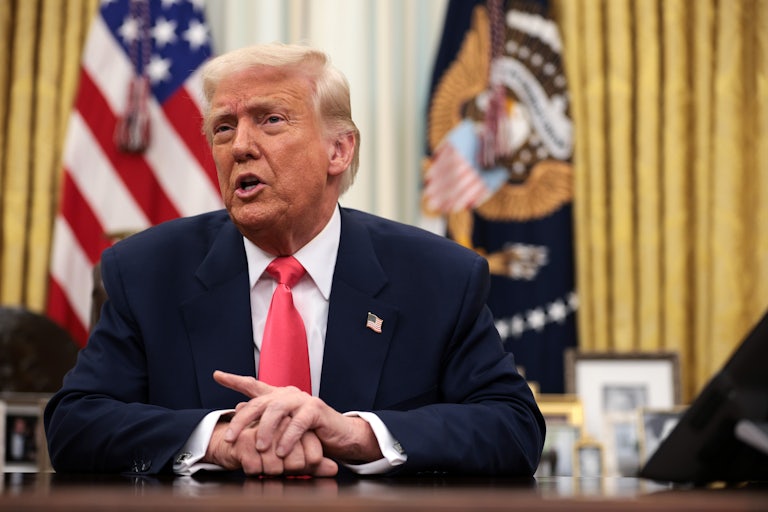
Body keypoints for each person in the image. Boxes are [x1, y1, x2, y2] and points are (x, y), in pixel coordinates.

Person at [44, 42, 545, 478]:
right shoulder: (146, 271)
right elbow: (75, 424)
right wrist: (216, 441)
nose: (240, 146)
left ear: (339, 151)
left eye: (271, 120)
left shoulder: (439, 276)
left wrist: (357, 435)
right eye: (223, 128)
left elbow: (513, 427)